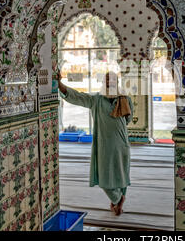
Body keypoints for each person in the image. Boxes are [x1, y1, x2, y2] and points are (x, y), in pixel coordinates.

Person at [57, 70, 134, 216]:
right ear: (103, 83)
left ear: (116, 82)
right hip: (105, 145)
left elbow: (128, 120)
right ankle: (118, 199)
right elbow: (77, 96)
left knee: (121, 174)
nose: (110, 83)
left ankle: (117, 203)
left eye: (112, 80)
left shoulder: (125, 99)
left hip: (122, 143)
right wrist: (60, 84)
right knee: (105, 178)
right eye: (107, 81)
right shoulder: (96, 100)